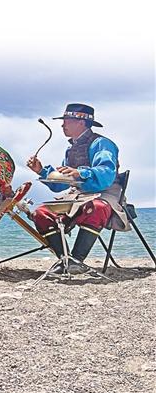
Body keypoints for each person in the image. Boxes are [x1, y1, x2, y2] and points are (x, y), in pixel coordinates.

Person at [27, 103, 128, 274]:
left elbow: (106, 173)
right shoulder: (70, 149)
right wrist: (42, 171)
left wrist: (80, 172)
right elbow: (61, 184)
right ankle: (65, 260)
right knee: (41, 213)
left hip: (105, 193)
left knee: (96, 207)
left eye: (66, 121)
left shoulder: (102, 144)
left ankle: (76, 260)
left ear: (81, 122)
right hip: (78, 195)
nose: (62, 125)